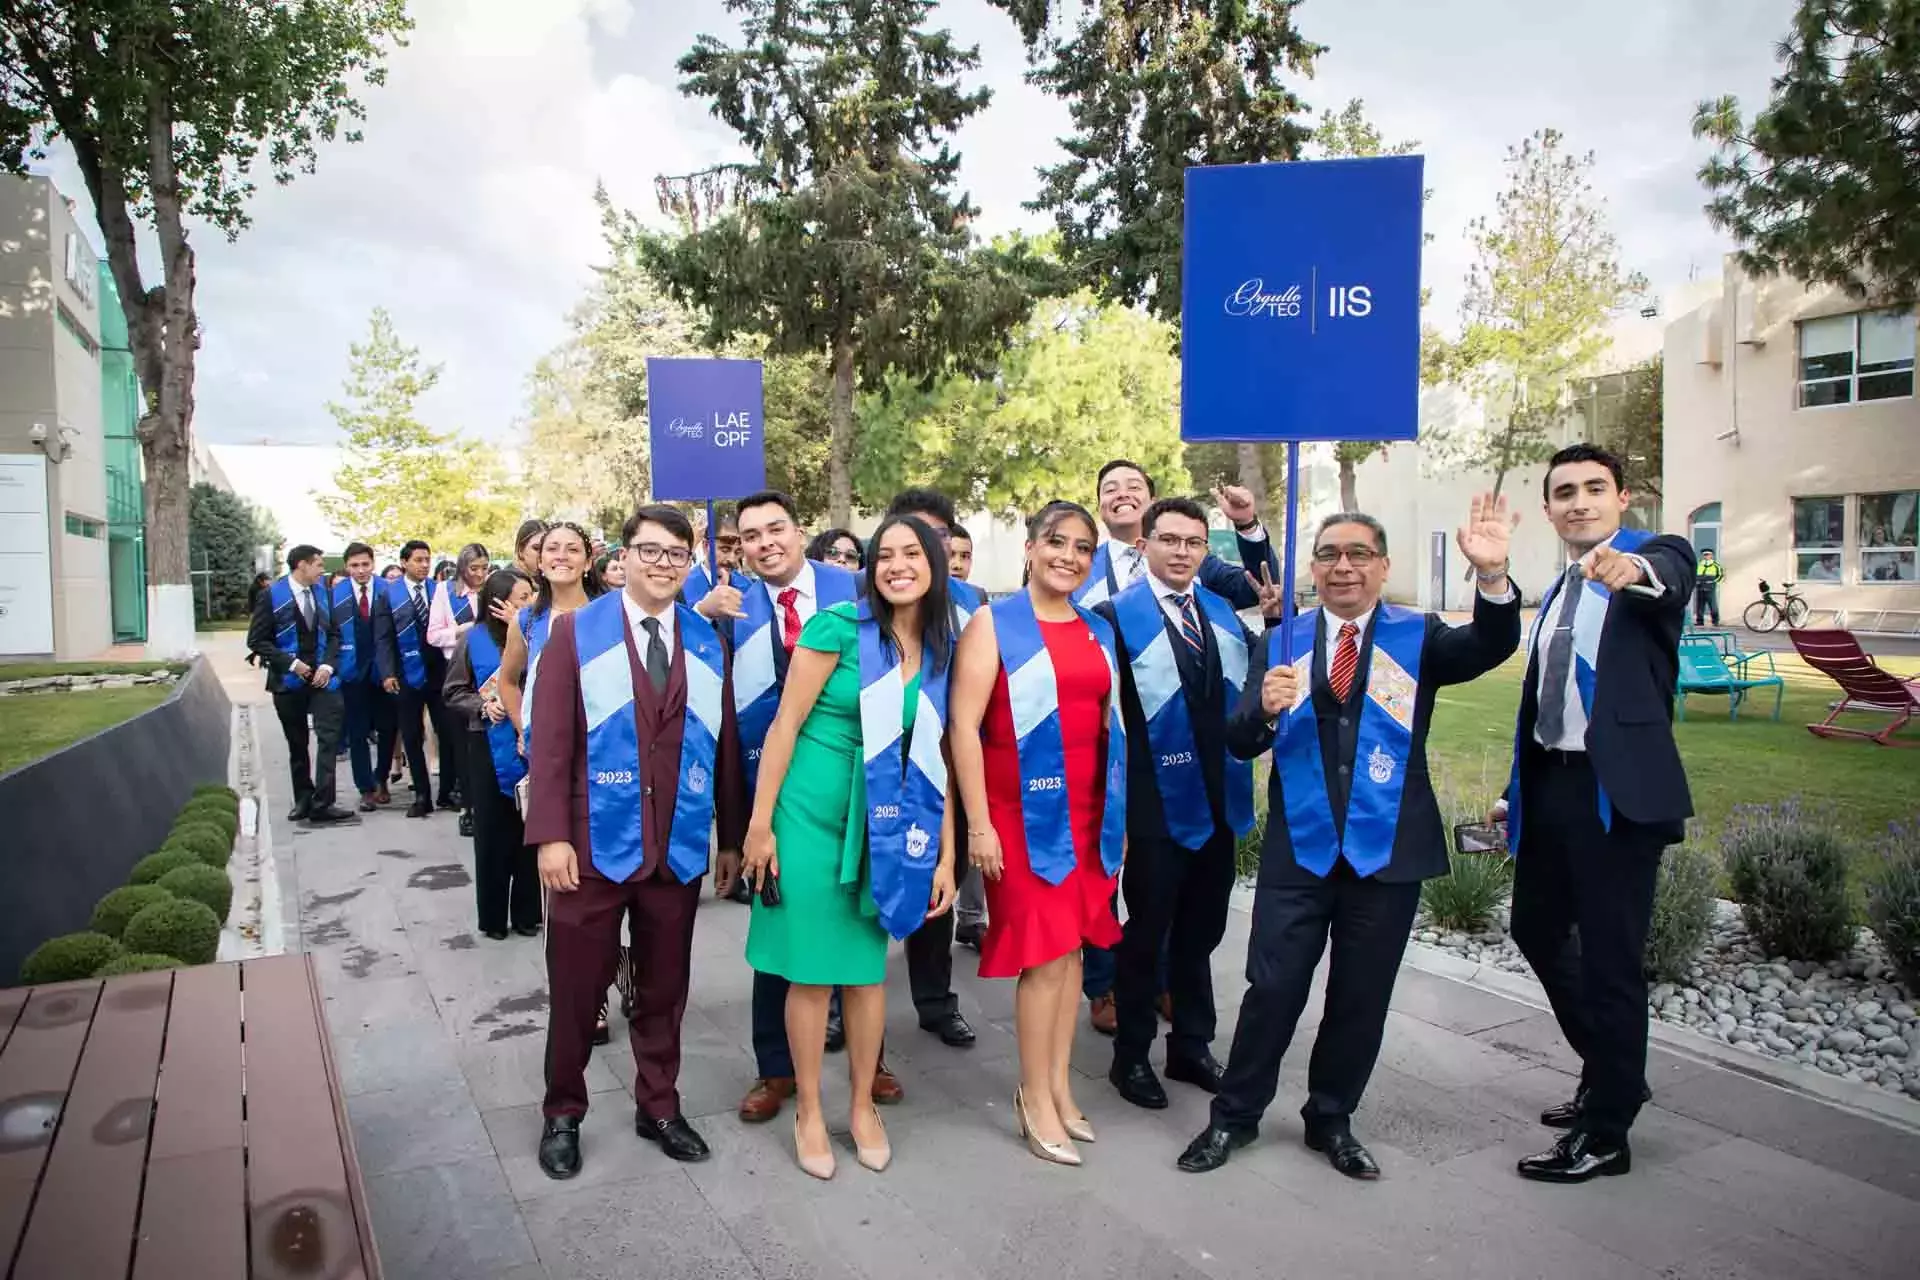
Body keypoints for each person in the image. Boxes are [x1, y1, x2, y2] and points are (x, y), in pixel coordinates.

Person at [1178, 499, 1520, 1180]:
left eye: (1359, 553)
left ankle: (1331, 1117)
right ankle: (1234, 1117)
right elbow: (1240, 739)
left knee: (1360, 996)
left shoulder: (1415, 636)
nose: (1344, 566)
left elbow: (1490, 644)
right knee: (1272, 989)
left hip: (1387, 851)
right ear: (1313, 568)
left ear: (1383, 567)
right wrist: (1263, 710)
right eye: (1330, 554)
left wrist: (1492, 578)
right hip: (1300, 851)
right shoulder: (1280, 643)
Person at [1495, 443, 1695, 1184]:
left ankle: (1607, 1132)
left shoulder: (1653, 553)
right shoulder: (1556, 591)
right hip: (1555, 788)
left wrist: (1632, 569)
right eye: (1564, 492)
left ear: (1623, 496)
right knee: (1535, 929)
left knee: (1611, 962)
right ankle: (1614, 1070)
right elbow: (1547, 701)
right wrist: (1517, 789)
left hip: (1619, 796)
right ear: (1548, 508)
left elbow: (1670, 578)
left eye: (1593, 489)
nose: (1579, 502)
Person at [527, 504, 746, 1180]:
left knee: (663, 988)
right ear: (620, 558)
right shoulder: (575, 632)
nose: (662, 564)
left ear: (690, 563)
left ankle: (659, 1103)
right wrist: (551, 837)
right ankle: (563, 1111)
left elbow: (725, 743)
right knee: (576, 987)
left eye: (676, 554)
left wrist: (730, 837)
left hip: (675, 847)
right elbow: (552, 740)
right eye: (649, 551)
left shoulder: (707, 640)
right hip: (592, 847)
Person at [741, 515, 961, 1178]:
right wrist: (759, 824)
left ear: (935, 564)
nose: (897, 565)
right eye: (884, 555)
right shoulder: (838, 627)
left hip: (889, 822)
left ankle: (861, 1105)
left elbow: (942, 755)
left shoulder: (945, 642)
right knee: (810, 972)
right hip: (808, 814)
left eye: (911, 554)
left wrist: (947, 854)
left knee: (866, 974)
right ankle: (810, 1108)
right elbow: (784, 725)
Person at [697, 491, 887, 1121]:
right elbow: (721, 728)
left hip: (858, 786)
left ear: (799, 531)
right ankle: (775, 1070)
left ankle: (871, 1062)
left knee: (860, 923)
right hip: (773, 798)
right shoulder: (729, 609)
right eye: (750, 536)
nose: (765, 543)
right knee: (780, 931)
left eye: (775, 529)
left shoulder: (857, 588)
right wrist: (733, 831)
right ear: (739, 548)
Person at [949, 500, 1126, 1167]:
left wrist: (1117, 821)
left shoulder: (1094, 629)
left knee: (1075, 955)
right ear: (1030, 548)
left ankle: (1057, 1085)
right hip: (1017, 817)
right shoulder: (994, 625)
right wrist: (979, 825)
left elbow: (1111, 729)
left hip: (1086, 815)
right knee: (1045, 956)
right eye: (1057, 542)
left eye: (1084, 548)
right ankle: (1033, 1095)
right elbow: (963, 726)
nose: (1069, 557)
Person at [1076, 464, 1279, 1034]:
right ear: (1146, 545)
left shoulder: (1218, 613)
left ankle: (1192, 1044)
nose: (1183, 552)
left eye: (1194, 542)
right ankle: (1134, 1054)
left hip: (1217, 796)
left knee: (1201, 929)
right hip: (1151, 802)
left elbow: (1266, 609)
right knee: (1146, 931)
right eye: (1169, 540)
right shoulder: (1114, 615)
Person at [876, 487, 986, 1048]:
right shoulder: (865, 605)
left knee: (936, 883)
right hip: (875, 766)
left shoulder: (973, 602)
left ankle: (936, 1001)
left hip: (946, 760)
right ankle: (848, 1004)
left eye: (936, 537)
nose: (921, 549)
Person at [445, 568, 541, 940]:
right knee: (493, 835)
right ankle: (494, 917)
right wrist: (483, 706)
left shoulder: (538, 634)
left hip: (530, 744)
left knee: (530, 833)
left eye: (531, 596)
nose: (529, 603)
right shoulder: (474, 640)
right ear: (498, 602)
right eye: (521, 597)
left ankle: (528, 913)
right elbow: (453, 692)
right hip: (486, 747)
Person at [248, 544, 353, 825]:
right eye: (318, 564)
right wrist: (292, 664)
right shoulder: (272, 596)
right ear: (302, 566)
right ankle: (303, 799)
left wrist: (328, 666)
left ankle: (324, 802)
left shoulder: (324, 595)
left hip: (322, 678)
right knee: (298, 744)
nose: (322, 570)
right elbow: (257, 641)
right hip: (288, 679)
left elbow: (334, 634)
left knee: (329, 738)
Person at [373, 540, 449, 818]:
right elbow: (382, 637)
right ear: (404, 562)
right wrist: (388, 672)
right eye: (418, 560)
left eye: (427, 559)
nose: (424, 565)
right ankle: (421, 794)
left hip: (438, 672)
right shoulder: (389, 594)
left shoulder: (438, 590)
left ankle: (447, 790)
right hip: (405, 673)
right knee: (412, 734)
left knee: (445, 731)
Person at [333, 542, 397, 812]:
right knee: (357, 731)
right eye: (354, 566)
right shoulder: (336, 594)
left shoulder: (389, 590)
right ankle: (365, 788)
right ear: (347, 567)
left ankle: (381, 778)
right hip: (352, 671)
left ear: (373, 563)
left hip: (384, 672)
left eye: (365, 565)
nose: (360, 571)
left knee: (387, 728)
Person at [949, 521, 988, 950]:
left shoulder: (977, 599)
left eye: (966, 556)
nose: (958, 564)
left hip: (972, 721)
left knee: (976, 813)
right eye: (951, 554)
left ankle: (973, 916)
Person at [1693, 548, 1724, 626]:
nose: (1706, 556)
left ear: (1711, 555)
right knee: (1699, 606)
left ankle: (1715, 621)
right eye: (1705, 555)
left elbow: (1721, 576)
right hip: (1700, 587)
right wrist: (1696, 582)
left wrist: (1713, 582)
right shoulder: (1699, 564)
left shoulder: (1716, 565)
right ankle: (1699, 621)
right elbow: (1694, 574)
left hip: (1710, 588)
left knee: (1713, 606)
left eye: (1708, 555)